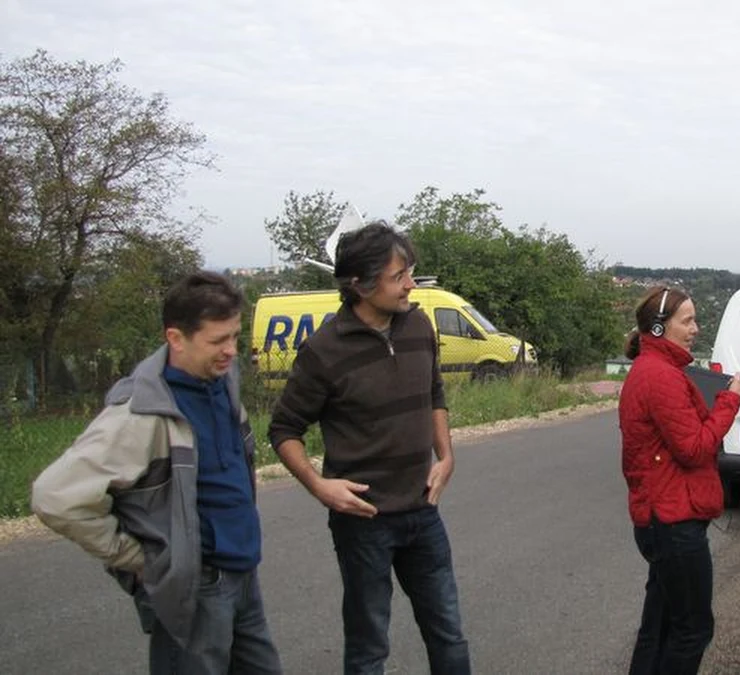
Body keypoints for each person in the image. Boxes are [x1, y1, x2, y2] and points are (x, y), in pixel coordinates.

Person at [31, 271, 283, 674]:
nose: (231, 350)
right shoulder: (140, 411)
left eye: (235, 336)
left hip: (244, 576)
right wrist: (141, 558)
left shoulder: (222, 380)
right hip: (197, 588)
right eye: (218, 340)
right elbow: (54, 497)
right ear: (176, 338)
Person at [268, 222, 470, 675]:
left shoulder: (419, 325)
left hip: (422, 511)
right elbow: (283, 429)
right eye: (399, 277)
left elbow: (434, 393)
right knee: (368, 646)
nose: (410, 285)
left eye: (410, 273)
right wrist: (319, 487)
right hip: (363, 522)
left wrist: (447, 456)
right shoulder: (323, 350)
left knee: (449, 634)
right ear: (359, 283)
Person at [618, 285, 740, 675]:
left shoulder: (656, 371)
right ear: (659, 328)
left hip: (661, 518)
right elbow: (694, 449)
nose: (695, 328)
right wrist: (730, 401)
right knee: (692, 630)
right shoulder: (661, 377)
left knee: (659, 627)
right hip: (673, 521)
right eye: (687, 320)